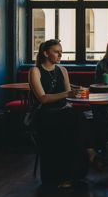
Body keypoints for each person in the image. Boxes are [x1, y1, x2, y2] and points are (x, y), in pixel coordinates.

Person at [28, 39, 89, 188]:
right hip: (44, 114)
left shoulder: (62, 70)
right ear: (45, 53)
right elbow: (43, 98)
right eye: (56, 51)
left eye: (61, 51)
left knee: (79, 116)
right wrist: (68, 93)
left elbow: (68, 96)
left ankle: (74, 173)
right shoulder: (35, 71)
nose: (60, 54)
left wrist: (77, 93)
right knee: (74, 118)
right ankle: (90, 155)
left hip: (63, 112)